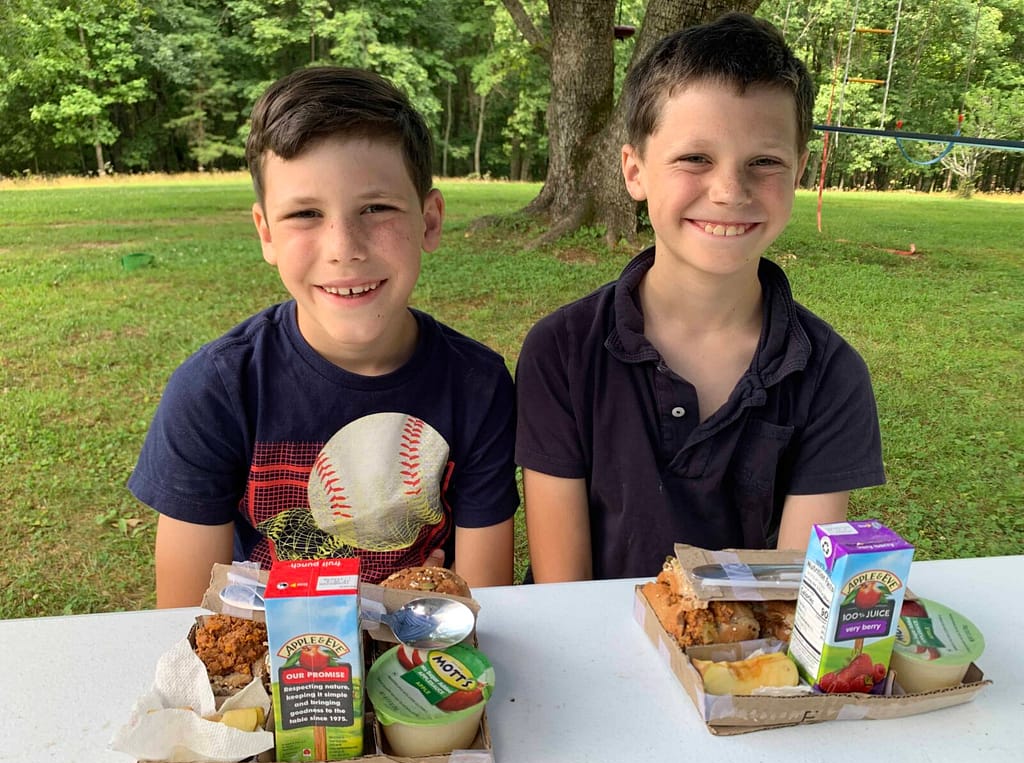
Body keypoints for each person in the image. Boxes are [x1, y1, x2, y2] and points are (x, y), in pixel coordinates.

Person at [514, 13, 885, 582]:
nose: (730, 191)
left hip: (749, 660)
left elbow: (796, 589)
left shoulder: (832, 374)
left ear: (799, 171)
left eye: (764, 162)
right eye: (695, 159)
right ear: (635, 171)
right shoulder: (561, 352)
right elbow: (562, 587)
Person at [129, 67, 518, 608]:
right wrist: (359, 605)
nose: (343, 246)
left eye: (376, 208)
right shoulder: (216, 389)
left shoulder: (478, 384)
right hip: (270, 650)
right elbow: (190, 616)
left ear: (429, 221)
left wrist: (413, 607)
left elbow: (482, 608)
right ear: (266, 232)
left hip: (420, 662)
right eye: (305, 214)